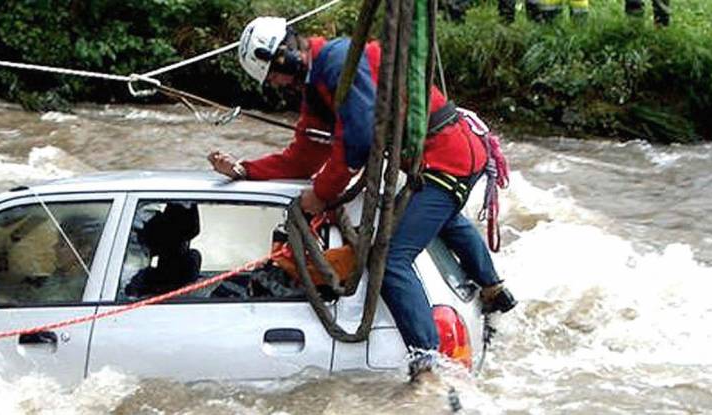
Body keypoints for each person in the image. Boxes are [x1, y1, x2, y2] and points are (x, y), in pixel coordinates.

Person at [210, 17, 517, 375]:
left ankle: (429, 363)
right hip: (445, 154)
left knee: (389, 261)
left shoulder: (340, 63)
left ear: (284, 57)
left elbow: (358, 141)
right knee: (439, 217)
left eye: (274, 76)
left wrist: (321, 194)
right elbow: (305, 155)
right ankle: (493, 289)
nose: (277, 86)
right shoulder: (318, 85)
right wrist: (247, 170)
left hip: (449, 156)